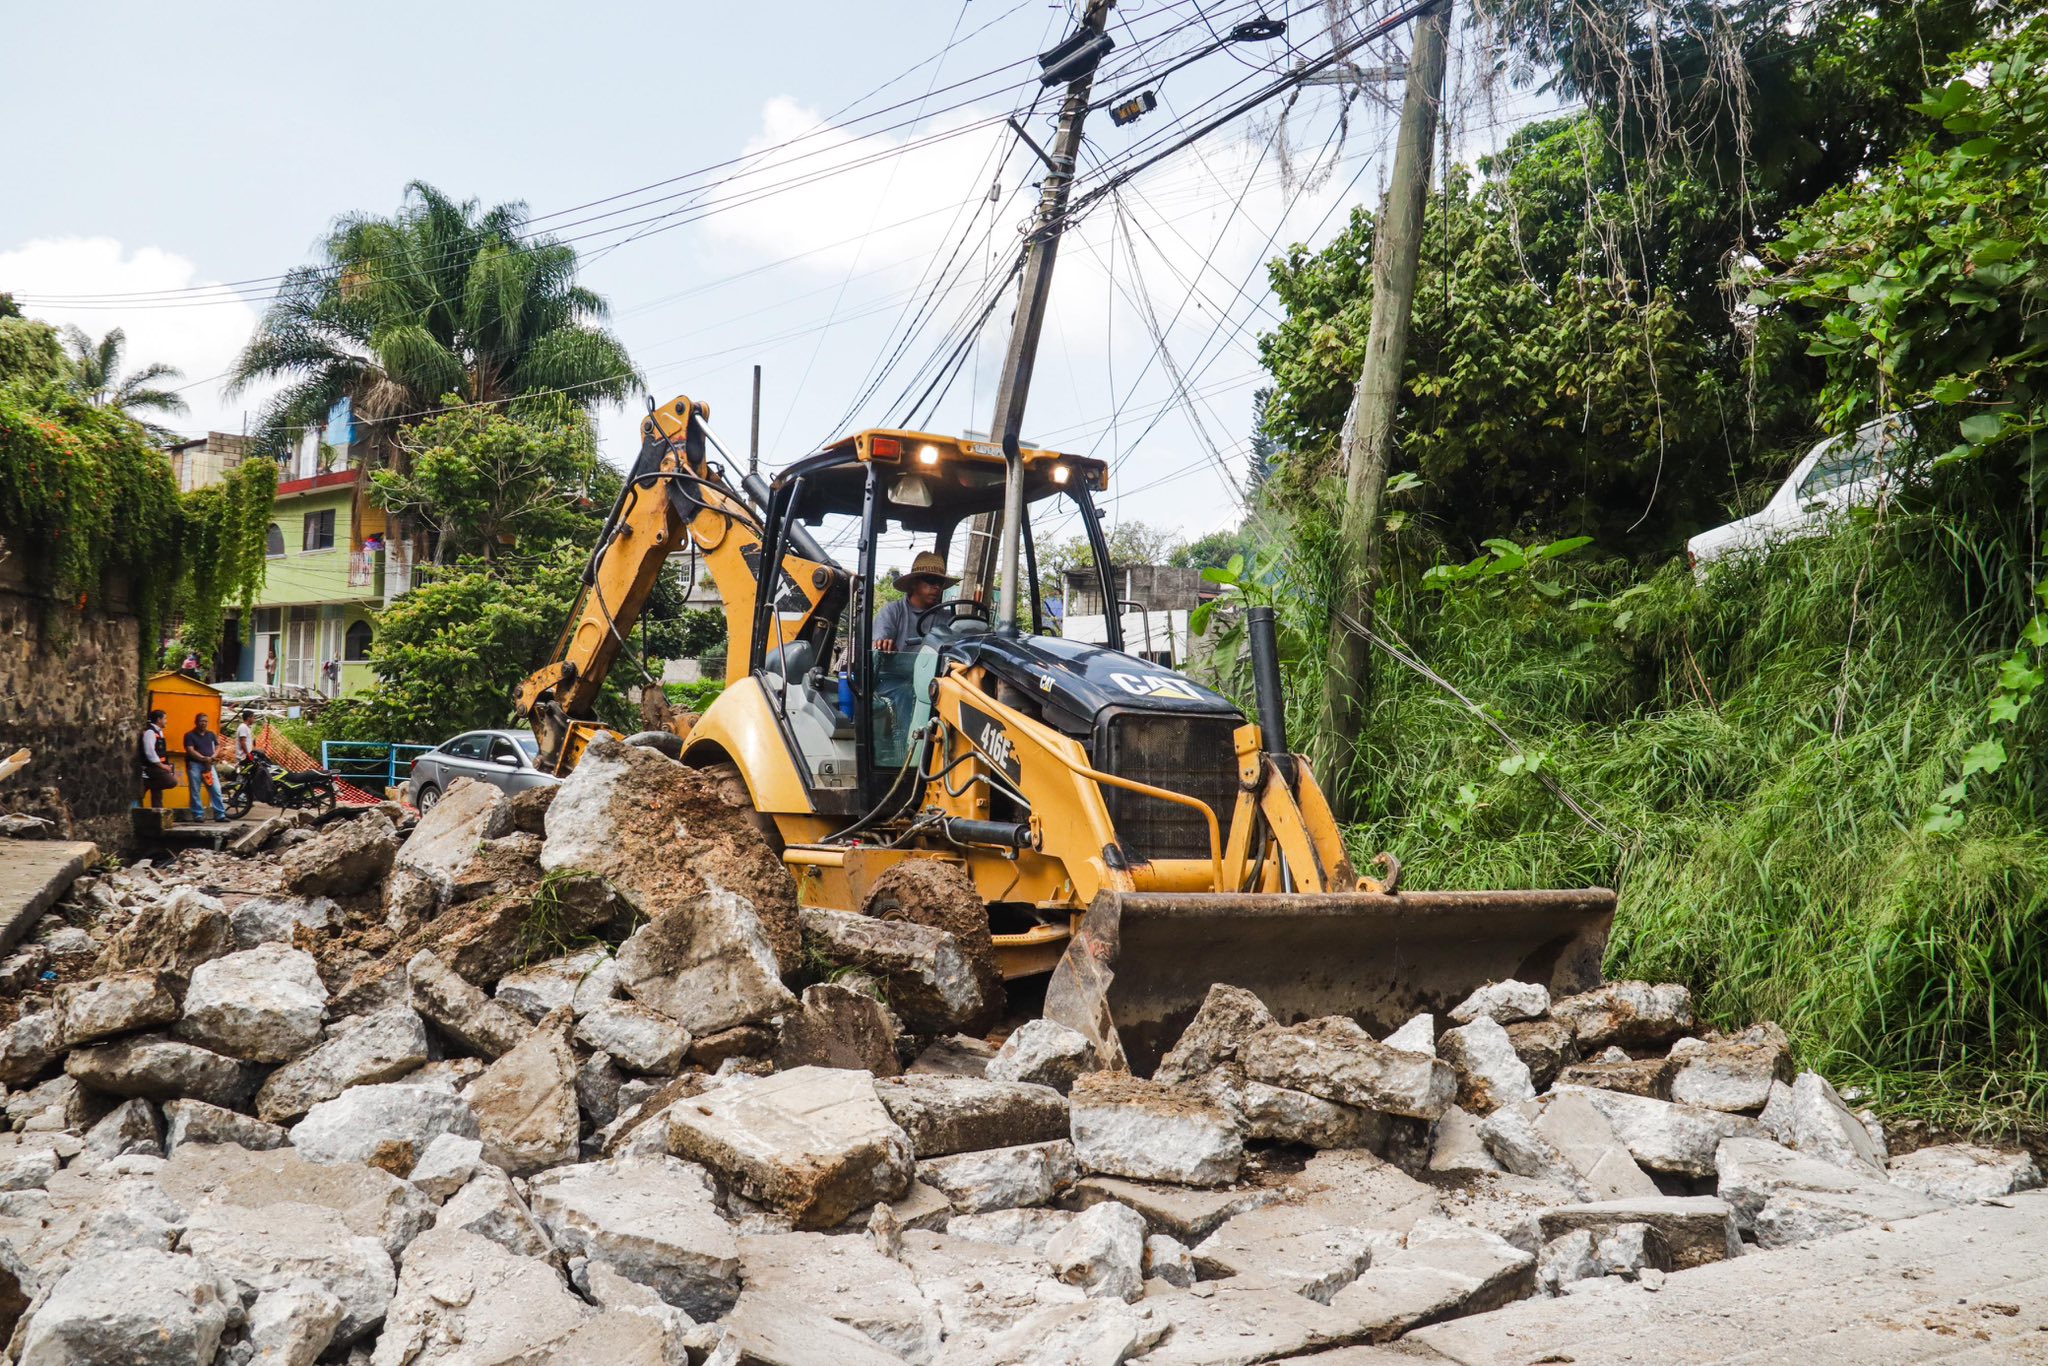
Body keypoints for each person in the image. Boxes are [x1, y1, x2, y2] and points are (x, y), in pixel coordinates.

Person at [874, 551, 959, 652]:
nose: (937, 587)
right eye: (931, 580)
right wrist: (885, 646)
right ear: (914, 583)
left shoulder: (948, 618)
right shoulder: (893, 611)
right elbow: (879, 645)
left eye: (940, 582)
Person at [181, 713, 229, 822]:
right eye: (201, 721)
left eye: (206, 721)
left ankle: (220, 814)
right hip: (194, 765)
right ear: (196, 722)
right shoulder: (189, 735)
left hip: (208, 765)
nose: (204, 723)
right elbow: (190, 750)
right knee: (195, 790)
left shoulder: (211, 734)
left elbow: (217, 746)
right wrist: (203, 758)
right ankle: (198, 814)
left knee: (216, 789)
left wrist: (213, 756)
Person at [138, 710, 176, 808]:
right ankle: (147, 783)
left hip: (158, 766)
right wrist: (162, 765)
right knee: (171, 782)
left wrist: (166, 764)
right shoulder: (150, 732)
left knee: (157, 792)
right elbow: (149, 751)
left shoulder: (159, 733)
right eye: (165, 718)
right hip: (151, 766)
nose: (166, 721)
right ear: (159, 720)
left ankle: (157, 811)